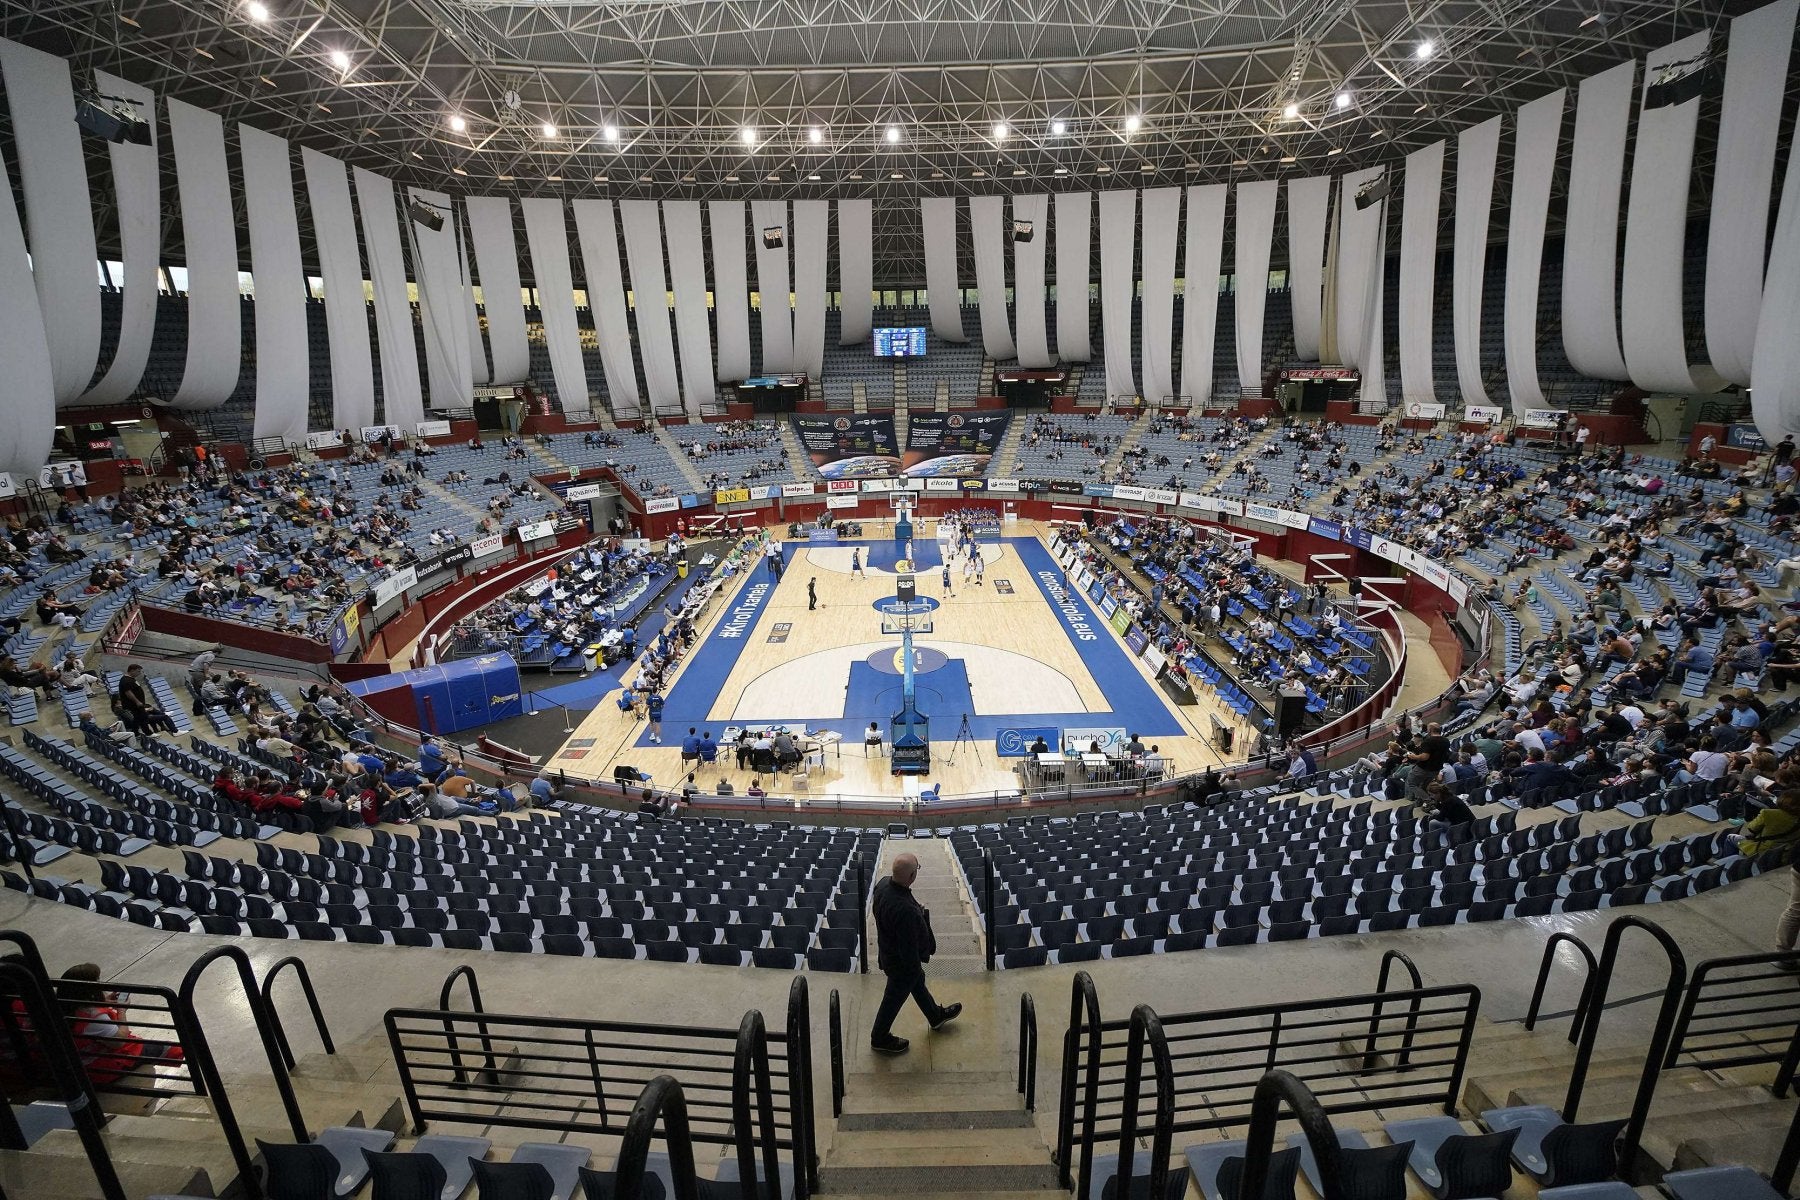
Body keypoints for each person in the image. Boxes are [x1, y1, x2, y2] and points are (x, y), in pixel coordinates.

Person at [869, 852, 960, 1055]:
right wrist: (920, 917)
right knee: (893, 997)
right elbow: (910, 949)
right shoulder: (906, 911)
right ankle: (879, 1037)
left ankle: (935, 1016)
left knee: (918, 983)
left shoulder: (883, 885)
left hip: (887, 951)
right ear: (911, 877)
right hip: (900, 964)